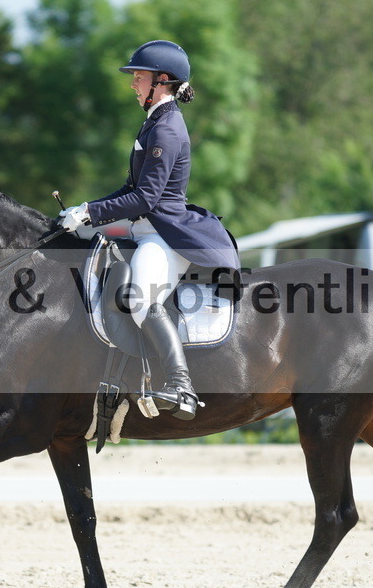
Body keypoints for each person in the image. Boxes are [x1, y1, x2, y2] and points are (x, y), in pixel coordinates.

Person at [57, 39, 240, 421]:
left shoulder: (167, 128)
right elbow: (129, 190)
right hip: (145, 230)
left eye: (138, 77)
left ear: (162, 81)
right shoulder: (154, 121)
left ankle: (181, 385)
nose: (133, 84)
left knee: (141, 299)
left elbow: (145, 198)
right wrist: (85, 212)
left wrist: (91, 211)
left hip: (165, 235)